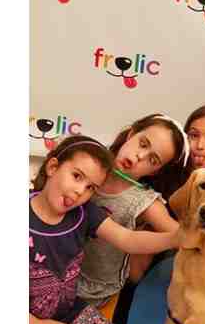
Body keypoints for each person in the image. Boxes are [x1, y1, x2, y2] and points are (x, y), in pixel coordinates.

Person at [29, 136, 179, 324]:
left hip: (65, 310)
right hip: (29, 321)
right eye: (76, 176)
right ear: (52, 167)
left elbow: (128, 239)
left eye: (90, 187)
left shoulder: (84, 213)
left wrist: (179, 238)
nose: (80, 191)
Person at [77, 114, 187, 307]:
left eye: (153, 160)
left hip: (95, 291)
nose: (139, 156)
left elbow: (184, 237)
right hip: (58, 272)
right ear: (131, 134)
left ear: (156, 171)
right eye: (143, 144)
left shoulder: (145, 202)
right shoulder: (88, 164)